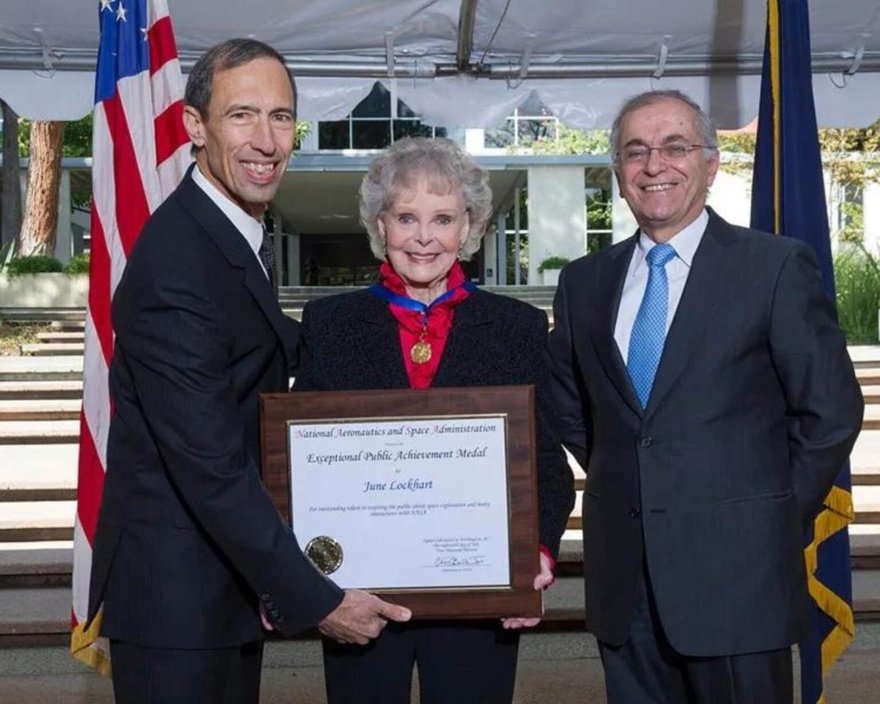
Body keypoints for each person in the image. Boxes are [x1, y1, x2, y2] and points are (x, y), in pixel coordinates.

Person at [86, 38, 410, 704]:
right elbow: (210, 467)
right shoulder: (178, 265)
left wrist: (408, 323)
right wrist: (315, 596)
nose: (266, 139)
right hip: (176, 603)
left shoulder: (230, 234)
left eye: (282, 117)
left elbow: (274, 351)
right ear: (195, 127)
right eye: (242, 116)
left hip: (214, 589)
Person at [548, 89, 864, 703]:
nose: (653, 165)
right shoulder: (584, 281)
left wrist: (765, 517)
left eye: (675, 147)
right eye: (635, 151)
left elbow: (830, 411)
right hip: (625, 584)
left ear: (712, 164)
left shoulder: (772, 268)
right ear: (618, 172)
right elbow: (570, 403)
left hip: (741, 582)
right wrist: (637, 478)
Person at [293, 136, 575, 704]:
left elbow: (545, 464)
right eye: (406, 218)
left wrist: (534, 554)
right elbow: (303, 469)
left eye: (443, 219)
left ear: (467, 226)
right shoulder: (329, 325)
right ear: (381, 224)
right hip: (360, 597)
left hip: (480, 597)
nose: (424, 237)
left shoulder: (517, 327)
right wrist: (303, 583)